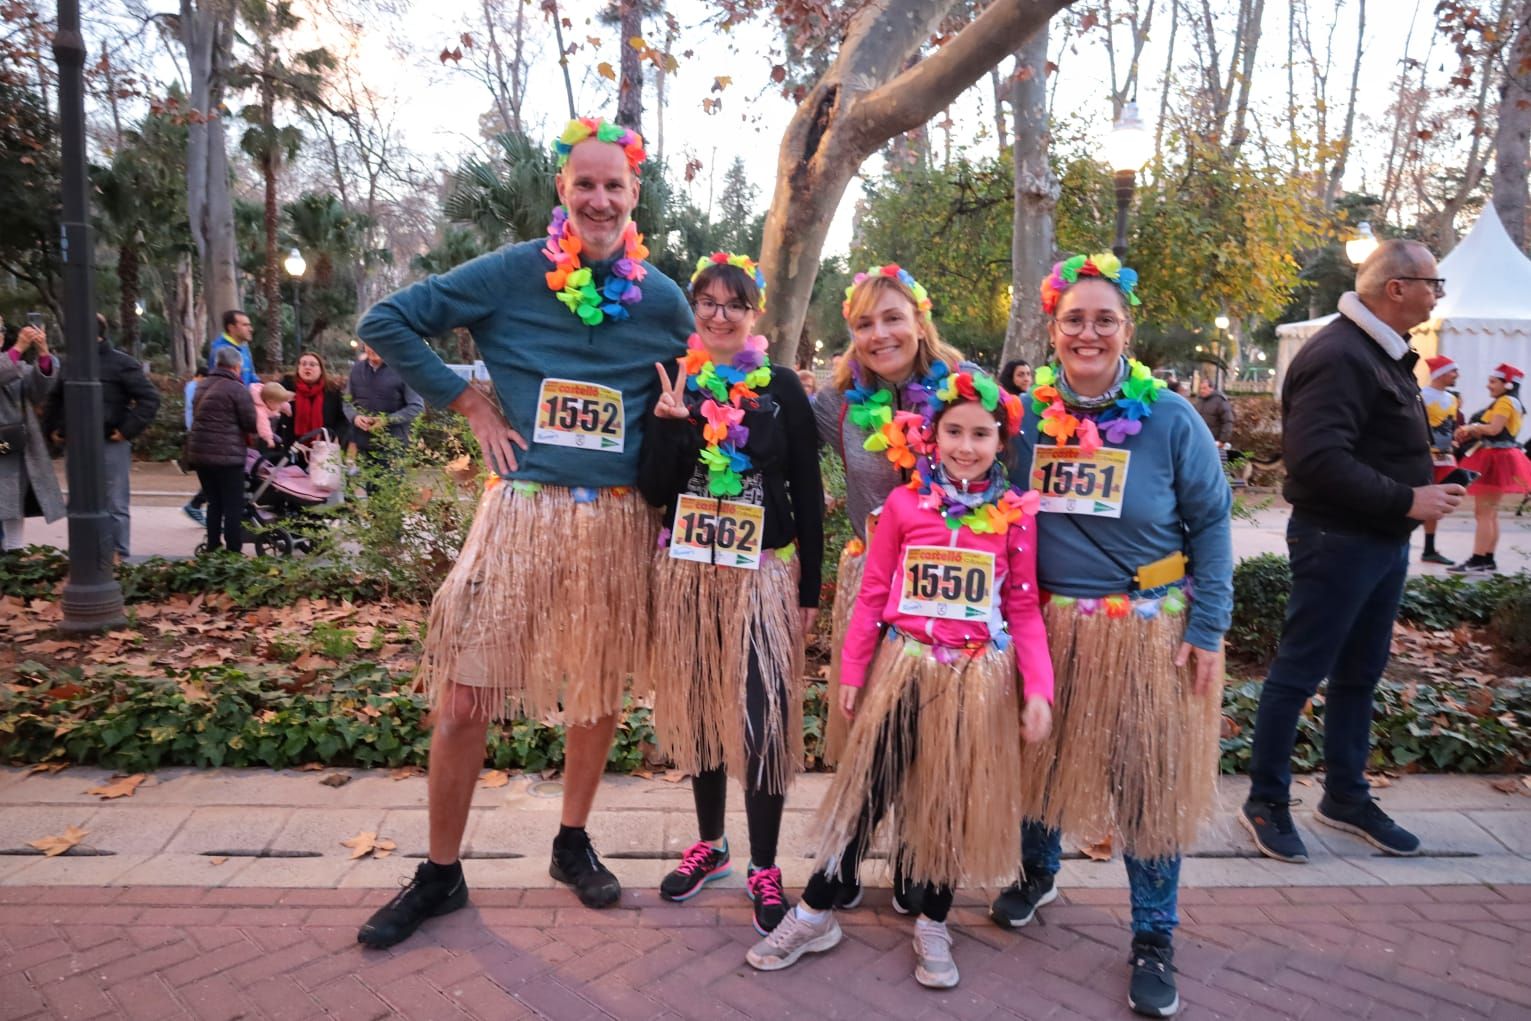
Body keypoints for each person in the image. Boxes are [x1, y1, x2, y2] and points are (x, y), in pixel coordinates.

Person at [352, 116, 692, 949]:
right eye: (586, 183)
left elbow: (710, 384)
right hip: (524, 513)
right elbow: (388, 319)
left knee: (599, 690)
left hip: (617, 519)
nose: (600, 198)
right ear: (562, 191)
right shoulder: (512, 273)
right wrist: (466, 402)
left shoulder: (663, 297)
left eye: (614, 185)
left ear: (634, 194)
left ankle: (571, 841)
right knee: (467, 692)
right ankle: (441, 872)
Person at [745, 367, 1053, 988]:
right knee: (867, 792)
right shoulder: (906, 506)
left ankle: (934, 922)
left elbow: (1023, 607)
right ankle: (815, 911)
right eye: (954, 431)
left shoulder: (1016, 517)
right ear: (932, 436)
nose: (966, 446)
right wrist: (853, 670)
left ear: (1002, 442)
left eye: (982, 434)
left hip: (977, 676)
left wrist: (1038, 688)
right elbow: (873, 596)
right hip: (904, 666)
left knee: (946, 799)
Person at [996, 252, 1233, 1019]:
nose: (1088, 333)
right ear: (1052, 328)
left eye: (1104, 319)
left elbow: (1213, 521)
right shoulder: (1025, 418)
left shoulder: (1168, 416)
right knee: (1040, 760)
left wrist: (1208, 625)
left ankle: (1153, 934)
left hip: (1146, 631)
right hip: (1050, 624)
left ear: (1125, 327)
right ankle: (1038, 871)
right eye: (1074, 319)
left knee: (1146, 783)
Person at [1243, 240, 1464, 869]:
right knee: (1297, 674)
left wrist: (1418, 489)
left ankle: (1344, 796)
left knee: (1359, 678)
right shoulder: (1341, 355)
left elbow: (1365, 445)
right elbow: (1316, 460)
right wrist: (1405, 498)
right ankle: (1265, 802)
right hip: (1337, 542)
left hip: (1377, 542)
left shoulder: (1378, 351)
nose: (1437, 293)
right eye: (1432, 282)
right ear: (1396, 288)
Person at [637, 252, 824, 935]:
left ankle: (765, 864)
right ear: (694, 309)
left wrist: (808, 587)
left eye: (733, 303)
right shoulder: (673, 379)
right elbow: (655, 490)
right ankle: (710, 844)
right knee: (700, 707)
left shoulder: (780, 387)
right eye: (707, 302)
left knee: (761, 716)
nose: (719, 314)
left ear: (753, 314)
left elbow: (805, 488)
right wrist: (665, 421)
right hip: (690, 570)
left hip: (764, 572)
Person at [807, 263, 964, 912]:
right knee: (874, 729)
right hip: (872, 584)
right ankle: (848, 847)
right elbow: (778, 439)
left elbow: (1008, 476)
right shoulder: (836, 398)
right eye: (864, 323)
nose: (880, 333)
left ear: (919, 320)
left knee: (935, 729)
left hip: (950, 588)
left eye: (892, 317)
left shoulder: (965, 388)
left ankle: (917, 853)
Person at [42, 315, 161, 559]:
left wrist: (127, 430)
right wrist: (53, 429)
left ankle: (119, 557)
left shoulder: (121, 363)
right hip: (75, 442)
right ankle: (83, 556)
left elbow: (150, 398)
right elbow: (56, 398)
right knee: (78, 502)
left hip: (109, 441)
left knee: (115, 502)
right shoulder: (70, 363)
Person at [1450, 363, 1531, 574]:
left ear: (1508, 383)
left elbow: (1494, 429)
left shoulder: (1505, 402)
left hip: (1496, 458)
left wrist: (1470, 427)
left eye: (1493, 381)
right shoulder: (1508, 401)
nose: (1488, 385)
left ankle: (1478, 559)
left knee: (1484, 513)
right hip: (1498, 457)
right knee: (1489, 513)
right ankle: (1487, 558)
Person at [186, 345, 257, 554]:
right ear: (236, 366)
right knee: (233, 505)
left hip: (200, 455)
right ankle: (234, 550)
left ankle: (213, 546)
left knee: (214, 502)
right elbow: (249, 422)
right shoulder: (237, 388)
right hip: (229, 456)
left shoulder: (202, 385)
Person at [0, 324, 63, 550]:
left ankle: (13, 555)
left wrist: (43, 354)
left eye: (0, 331)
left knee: (12, 503)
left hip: (12, 446)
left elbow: (40, 389)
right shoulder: (11, 361)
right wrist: (18, 347)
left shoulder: (17, 365)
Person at [344, 343, 424, 468]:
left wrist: (386, 420)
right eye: (369, 344)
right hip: (362, 444)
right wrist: (355, 417)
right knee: (364, 486)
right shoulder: (357, 369)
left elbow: (416, 406)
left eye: (378, 342)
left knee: (390, 486)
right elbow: (347, 401)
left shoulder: (404, 370)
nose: (373, 348)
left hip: (392, 445)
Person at [1420, 355, 1462, 565]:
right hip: (1423, 457)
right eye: (1453, 371)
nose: (1457, 375)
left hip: (1445, 457)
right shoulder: (1421, 396)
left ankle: (1429, 548)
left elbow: (1450, 426)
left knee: (1436, 503)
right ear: (1441, 373)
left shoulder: (1453, 399)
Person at [280, 351, 346, 448]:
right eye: (303, 364)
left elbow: (342, 420)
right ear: (298, 368)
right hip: (291, 446)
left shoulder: (332, 391)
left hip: (323, 447)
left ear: (321, 370)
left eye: (312, 364)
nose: (307, 367)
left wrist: (335, 437)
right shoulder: (286, 387)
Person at [182, 368, 208, 526]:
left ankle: (195, 504)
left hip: (195, 431)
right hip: (199, 433)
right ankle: (195, 505)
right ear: (200, 376)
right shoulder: (194, 387)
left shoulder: (191, 386)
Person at [209, 310, 258, 385]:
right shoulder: (220, 351)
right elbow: (220, 383)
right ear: (231, 328)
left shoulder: (244, 348)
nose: (250, 329)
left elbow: (251, 377)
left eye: (249, 325)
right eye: (245, 325)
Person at [1191, 377, 1234, 446]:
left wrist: (1222, 441)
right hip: (1199, 441)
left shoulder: (1220, 401)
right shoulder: (1199, 401)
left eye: (1204, 388)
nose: (1202, 391)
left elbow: (1227, 422)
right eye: (1200, 388)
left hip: (1214, 441)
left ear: (1211, 388)